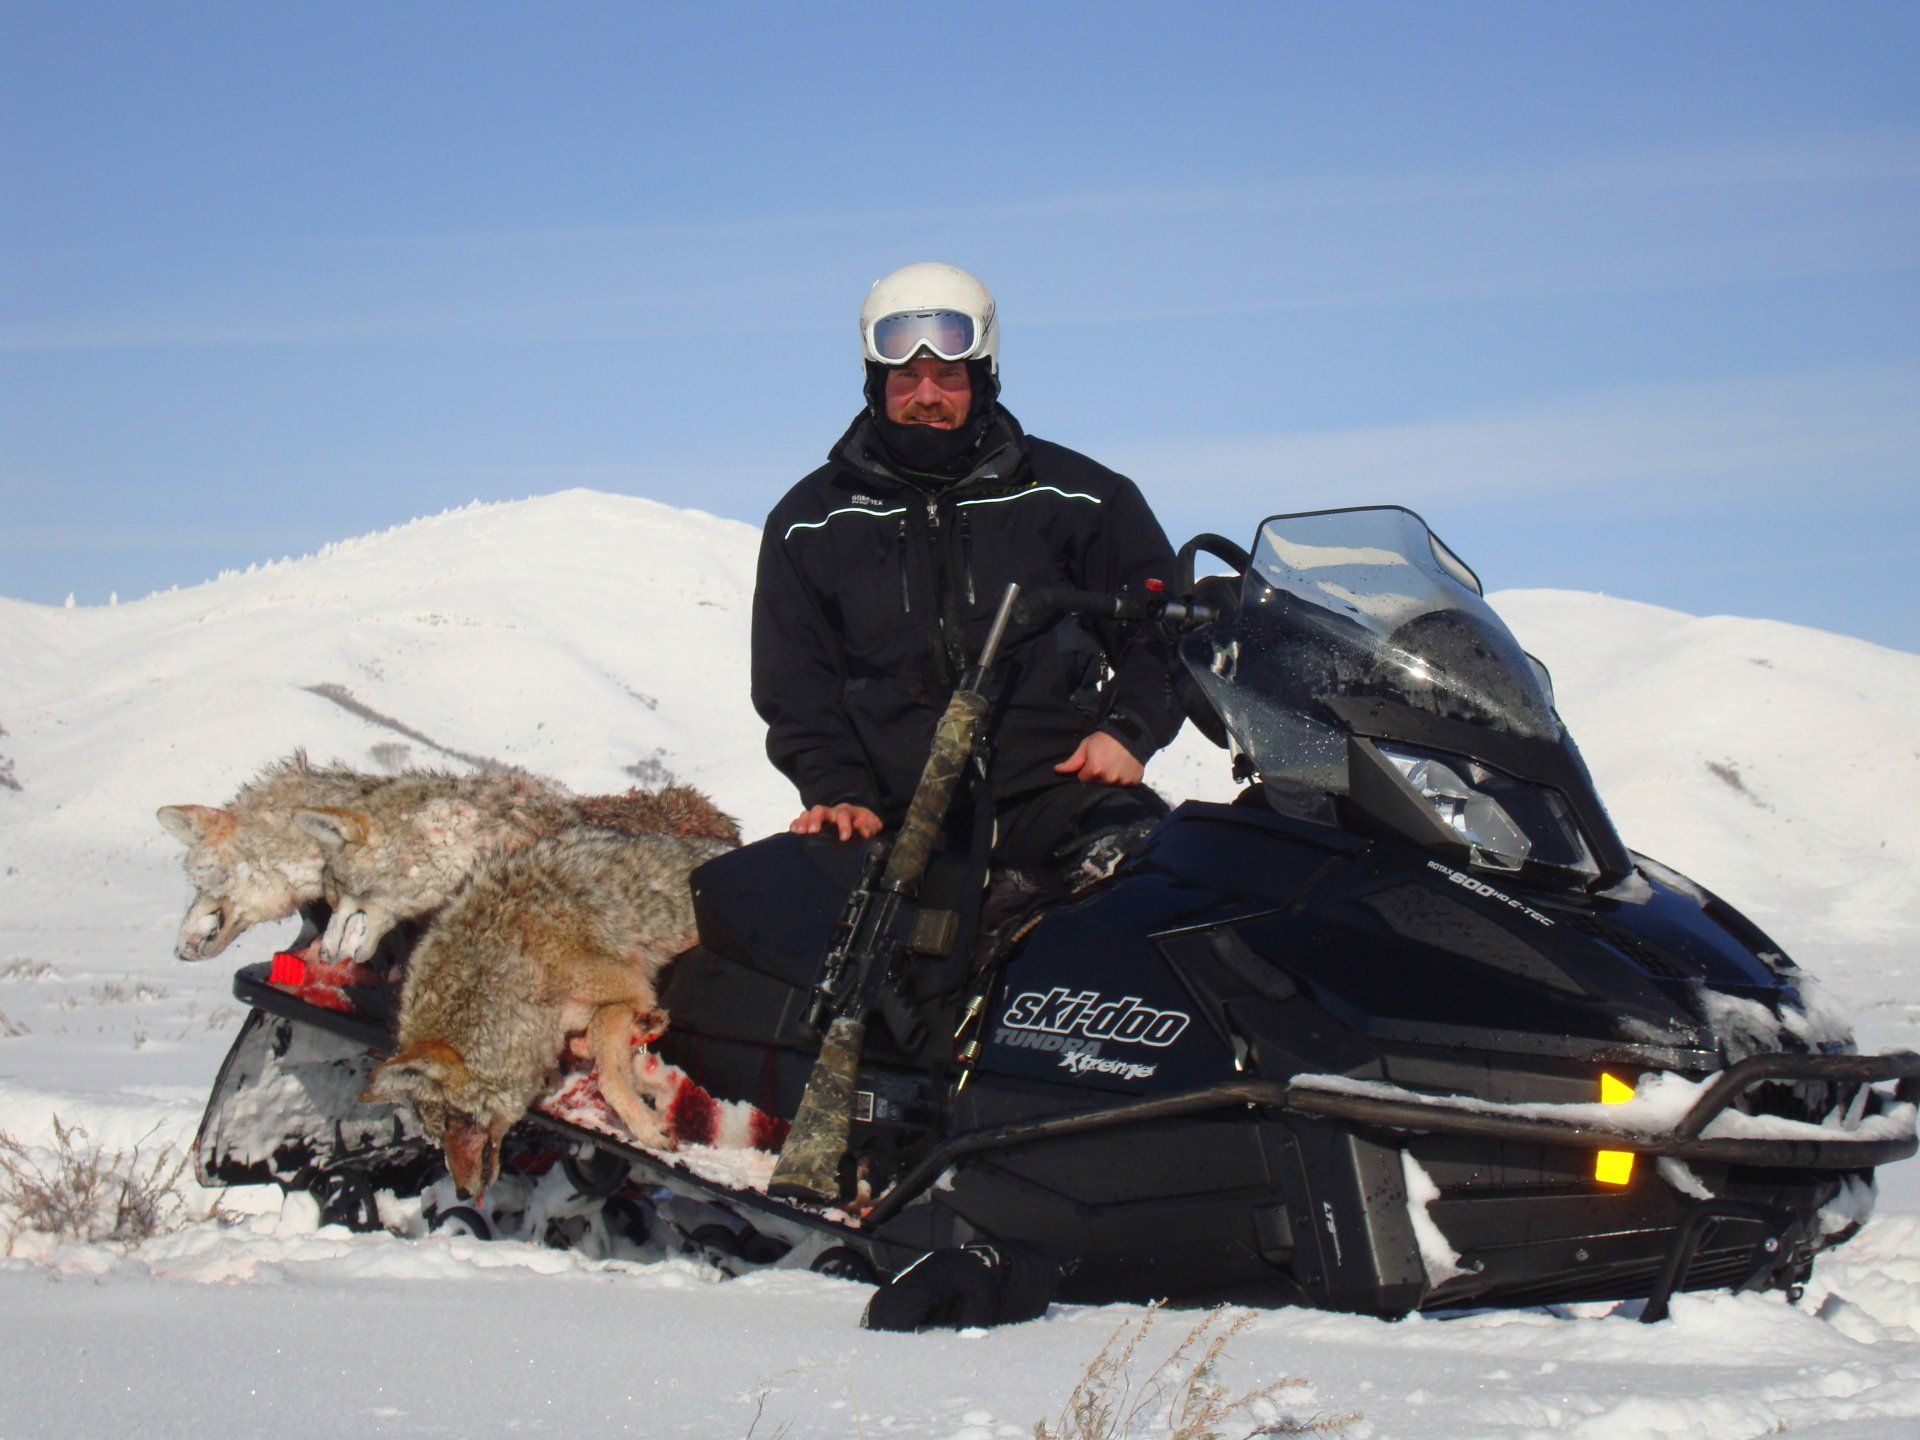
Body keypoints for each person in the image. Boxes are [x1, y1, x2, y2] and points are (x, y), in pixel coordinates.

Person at [750, 262, 1184, 873]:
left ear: (983, 379)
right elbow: (795, 689)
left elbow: (1164, 628)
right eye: (906, 377)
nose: (927, 396)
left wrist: (1130, 731)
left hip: (1061, 798)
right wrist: (839, 792)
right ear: (875, 383)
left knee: (1154, 889)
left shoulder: (1080, 498)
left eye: (948, 376)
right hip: (892, 821)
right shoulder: (810, 522)